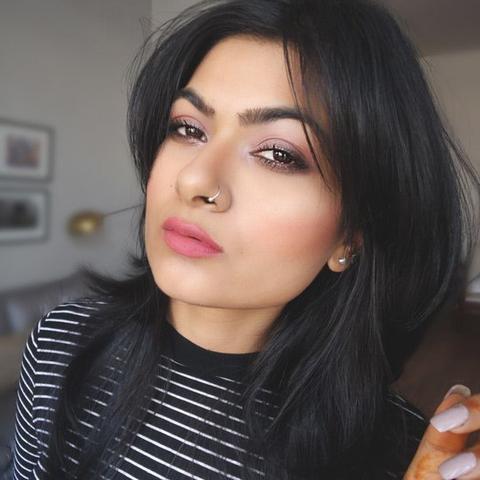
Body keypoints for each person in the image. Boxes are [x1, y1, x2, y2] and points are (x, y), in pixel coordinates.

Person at [11, 0, 480, 478]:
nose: (195, 180)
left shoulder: (398, 457)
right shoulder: (61, 341)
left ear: (351, 236)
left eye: (278, 154)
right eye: (187, 129)